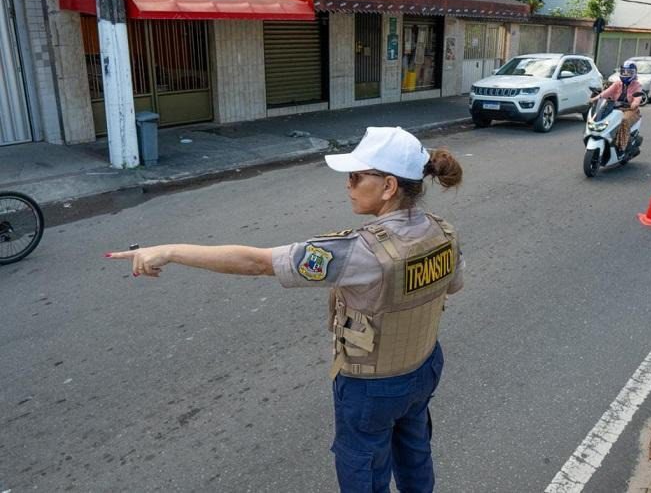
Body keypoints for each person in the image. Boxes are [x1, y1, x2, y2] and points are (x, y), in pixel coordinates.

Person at [107, 126, 465, 492]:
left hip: (373, 385)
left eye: (356, 176)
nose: (348, 184)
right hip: (424, 366)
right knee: (415, 453)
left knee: (363, 467)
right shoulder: (443, 232)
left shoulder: (361, 251)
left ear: (388, 186)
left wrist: (168, 251)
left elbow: (258, 262)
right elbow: (452, 286)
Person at [591, 61, 644, 150]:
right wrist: (595, 99)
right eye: (624, 72)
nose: (626, 74)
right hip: (615, 108)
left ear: (634, 73)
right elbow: (606, 93)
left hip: (630, 110)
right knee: (604, 118)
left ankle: (621, 145)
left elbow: (638, 97)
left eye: (629, 72)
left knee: (624, 120)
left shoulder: (637, 85)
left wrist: (634, 104)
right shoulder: (617, 84)